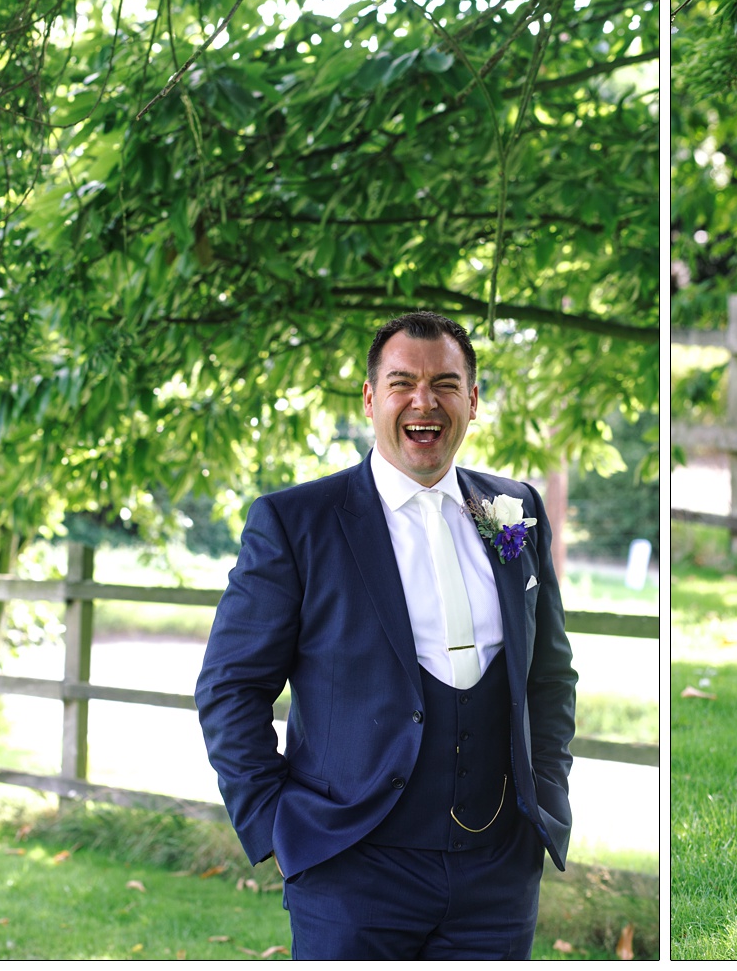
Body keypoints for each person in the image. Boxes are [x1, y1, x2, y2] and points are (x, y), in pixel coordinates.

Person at [196, 309, 577, 960]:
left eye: (446, 384)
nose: (423, 401)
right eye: (402, 382)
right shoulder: (296, 522)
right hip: (351, 874)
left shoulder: (513, 512)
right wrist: (277, 825)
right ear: (371, 398)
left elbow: (549, 674)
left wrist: (546, 796)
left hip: (499, 877)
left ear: (474, 399)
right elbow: (230, 687)